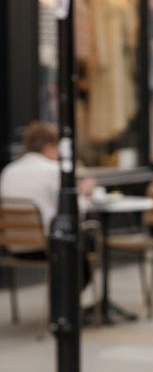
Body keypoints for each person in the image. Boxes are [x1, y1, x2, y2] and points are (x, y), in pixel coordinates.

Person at [0, 122, 95, 287]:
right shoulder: (54, 170)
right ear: (49, 147)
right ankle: (69, 298)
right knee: (83, 239)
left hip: (13, 245)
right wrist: (84, 194)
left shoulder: (8, 170)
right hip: (49, 247)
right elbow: (77, 212)